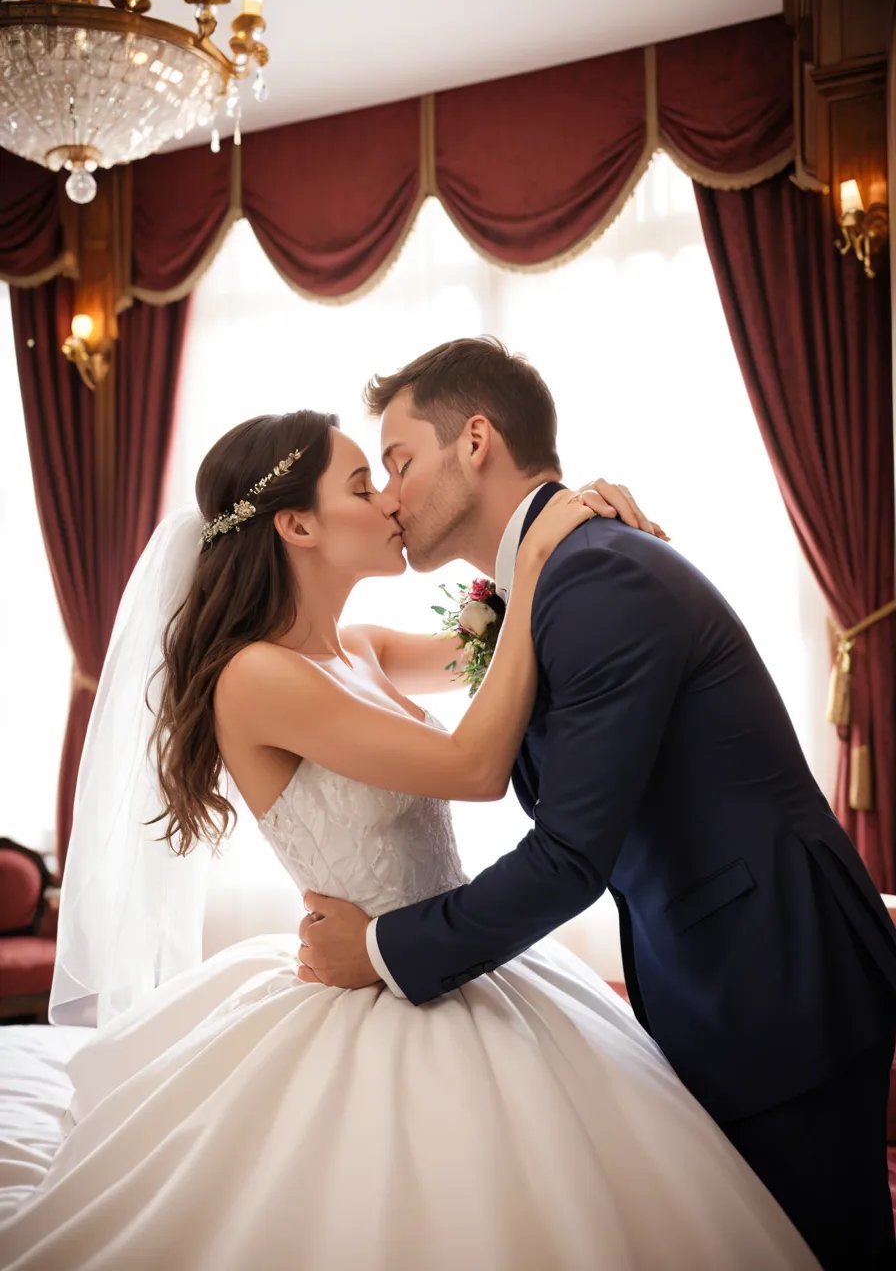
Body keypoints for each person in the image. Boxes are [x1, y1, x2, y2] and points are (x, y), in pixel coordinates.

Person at [0, 408, 816, 1270]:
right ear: (298, 525)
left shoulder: (358, 650)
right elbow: (473, 763)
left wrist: (553, 529)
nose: (390, 503)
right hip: (373, 984)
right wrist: (538, 566)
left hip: (450, 960)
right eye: (362, 484)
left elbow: (507, 644)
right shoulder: (255, 678)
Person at [298, 338, 896, 1271]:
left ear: (478, 441)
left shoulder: (595, 575)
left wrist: (377, 950)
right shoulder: (550, 576)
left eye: (401, 461)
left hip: (782, 983)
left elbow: (570, 857)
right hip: (726, 975)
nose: (390, 495)